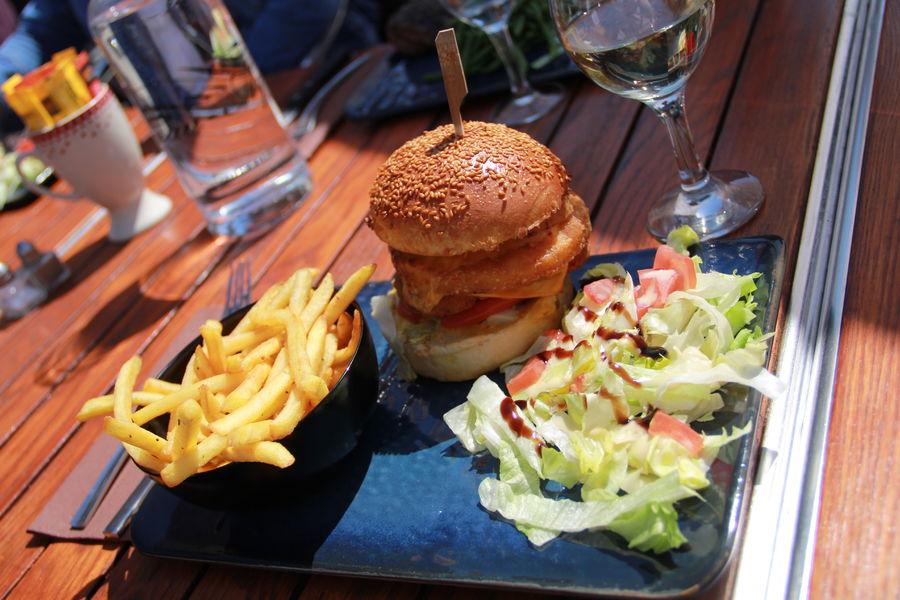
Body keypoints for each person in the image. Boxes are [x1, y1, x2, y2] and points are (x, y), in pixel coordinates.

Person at [0, 0, 382, 134]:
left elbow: (306, 9)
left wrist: (239, 93)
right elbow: (36, 33)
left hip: (339, 87)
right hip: (195, 145)